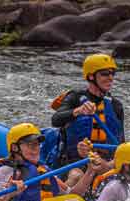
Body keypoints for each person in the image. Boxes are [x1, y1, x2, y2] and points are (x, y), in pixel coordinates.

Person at [50, 53, 125, 185]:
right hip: (76, 161)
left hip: (106, 161)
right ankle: (62, 199)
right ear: (91, 76)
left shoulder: (116, 105)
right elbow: (56, 120)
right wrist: (78, 111)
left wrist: (112, 164)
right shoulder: (75, 98)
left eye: (112, 73)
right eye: (105, 74)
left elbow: (121, 141)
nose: (110, 78)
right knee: (76, 176)